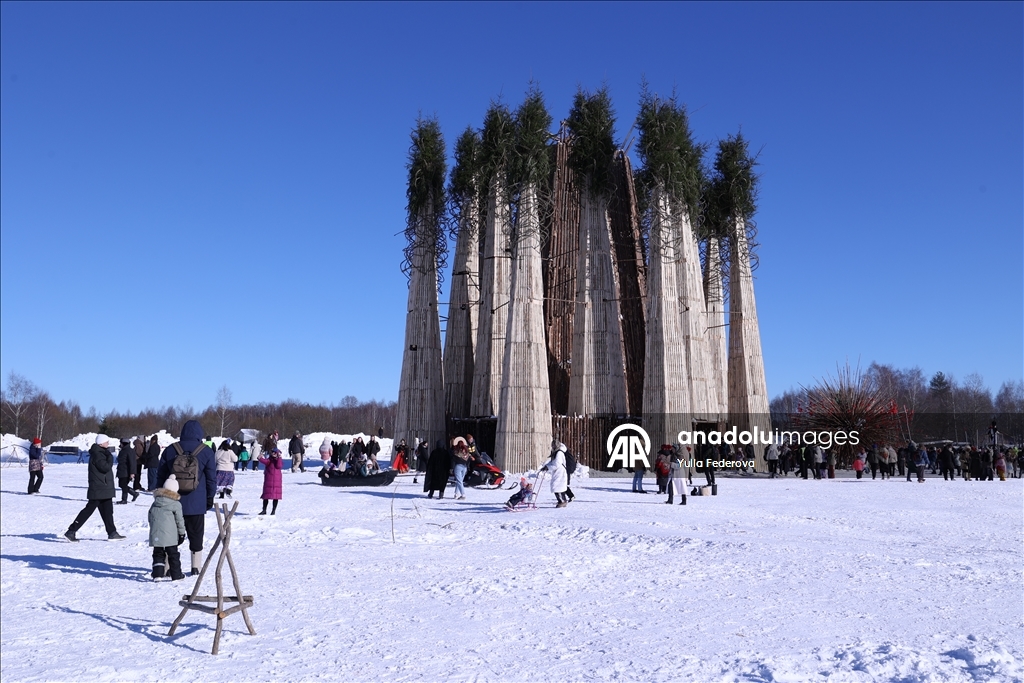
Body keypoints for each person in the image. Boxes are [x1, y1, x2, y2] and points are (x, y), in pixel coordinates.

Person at [156, 420, 217, 576]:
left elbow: (160, 475)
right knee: (196, 534)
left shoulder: (170, 450)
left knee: (171, 534)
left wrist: (159, 496)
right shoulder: (206, 451)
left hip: (172, 501)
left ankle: (169, 567)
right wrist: (209, 497)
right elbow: (211, 478)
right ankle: (195, 567)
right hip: (197, 502)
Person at [65, 435, 125, 541]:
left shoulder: (101, 453)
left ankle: (112, 532)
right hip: (99, 488)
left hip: (103, 488)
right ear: (101, 443)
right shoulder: (98, 454)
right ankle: (71, 531)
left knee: (108, 511)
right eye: (106, 442)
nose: (108, 443)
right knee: (88, 510)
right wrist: (110, 457)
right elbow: (105, 467)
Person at [149, 474, 186, 581]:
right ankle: (176, 575)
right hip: (171, 535)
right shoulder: (176, 504)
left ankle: (157, 575)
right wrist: (182, 533)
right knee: (173, 555)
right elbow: (180, 520)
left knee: (158, 553)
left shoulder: (155, 502)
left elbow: (150, 516)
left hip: (156, 533)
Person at [543, 442, 570, 508]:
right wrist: (546, 466)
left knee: (557, 486)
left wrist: (548, 467)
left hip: (560, 472)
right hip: (558, 472)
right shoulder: (556, 452)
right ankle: (562, 500)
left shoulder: (559, 453)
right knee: (558, 486)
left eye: (553, 445)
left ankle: (562, 501)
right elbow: (553, 462)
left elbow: (557, 464)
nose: (552, 447)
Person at [258, 448, 283, 515]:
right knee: (266, 496)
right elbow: (264, 461)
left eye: (274, 452)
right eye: (272, 452)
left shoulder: (279, 460)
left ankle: (273, 511)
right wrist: (260, 457)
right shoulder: (269, 460)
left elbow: (279, 466)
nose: (273, 453)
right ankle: (264, 510)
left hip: (276, 481)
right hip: (268, 480)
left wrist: (279, 458)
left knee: (276, 496)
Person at [116, 438, 140, 504]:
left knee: (123, 485)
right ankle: (134, 494)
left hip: (126, 471)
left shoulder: (129, 451)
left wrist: (132, 473)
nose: (120, 444)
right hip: (122, 470)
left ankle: (125, 499)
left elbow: (132, 462)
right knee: (122, 485)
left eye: (120, 443)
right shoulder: (123, 450)